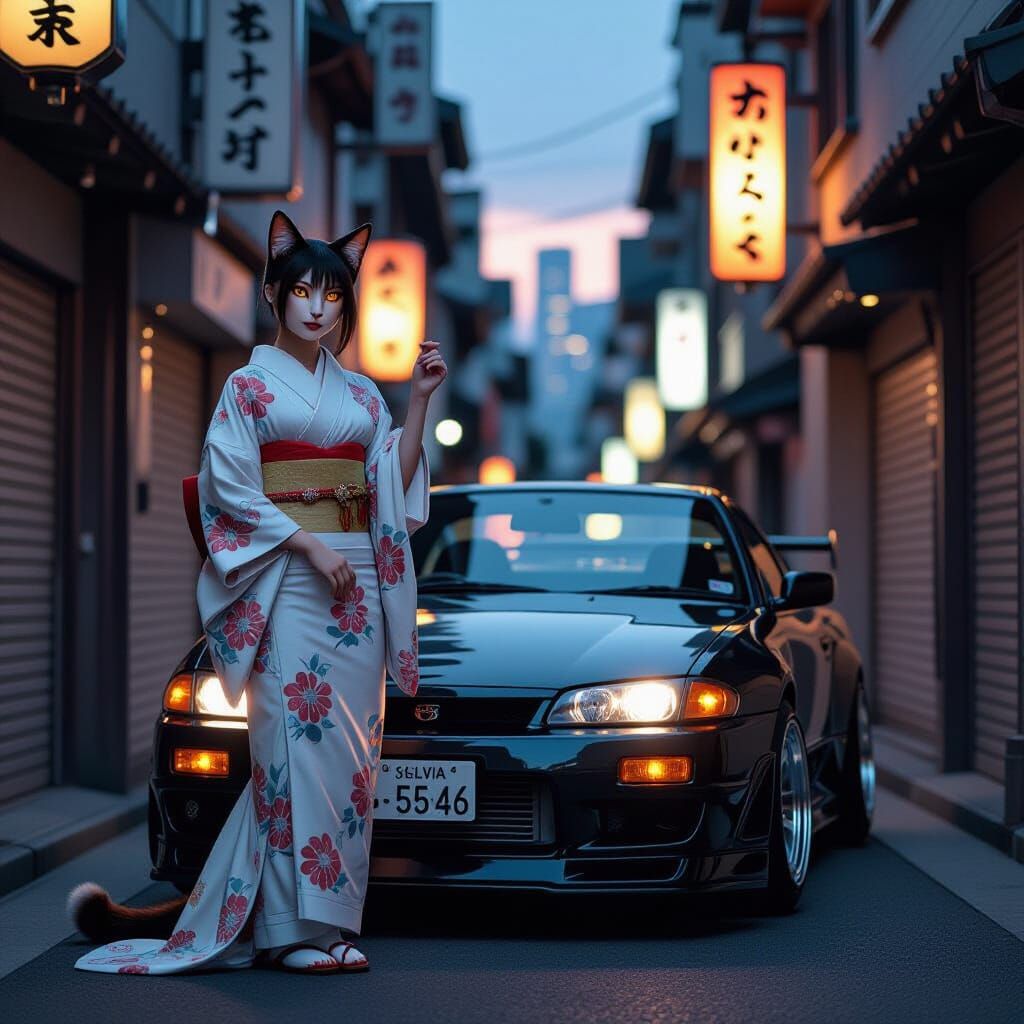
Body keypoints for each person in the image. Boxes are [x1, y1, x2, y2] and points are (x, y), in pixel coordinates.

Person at [71, 209, 447, 975]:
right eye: (301, 288)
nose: (316, 306)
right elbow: (228, 488)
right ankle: (286, 935)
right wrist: (307, 541)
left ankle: (327, 925)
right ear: (274, 292)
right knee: (287, 758)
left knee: (348, 767)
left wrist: (419, 403)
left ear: (346, 305)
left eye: (332, 294)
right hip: (288, 584)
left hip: (357, 596)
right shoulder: (246, 390)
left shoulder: (366, 396)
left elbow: (390, 487)